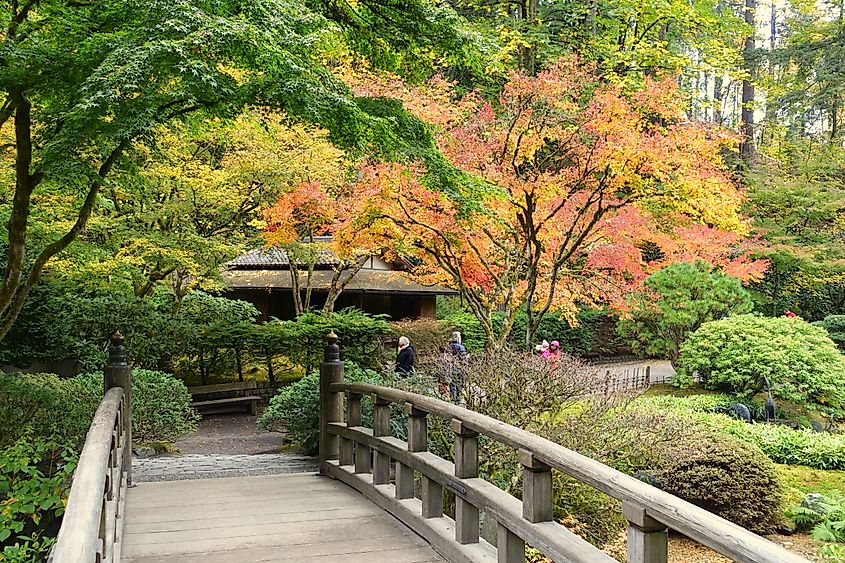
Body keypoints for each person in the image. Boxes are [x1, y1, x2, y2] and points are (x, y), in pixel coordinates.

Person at [446, 331, 467, 403]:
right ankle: (458, 399)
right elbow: (463, 359)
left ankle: (453, 399)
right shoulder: (461, 347)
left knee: (452, 384)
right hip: (459, 368)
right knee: (459, 384)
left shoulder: (449, 346)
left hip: (451, 367)